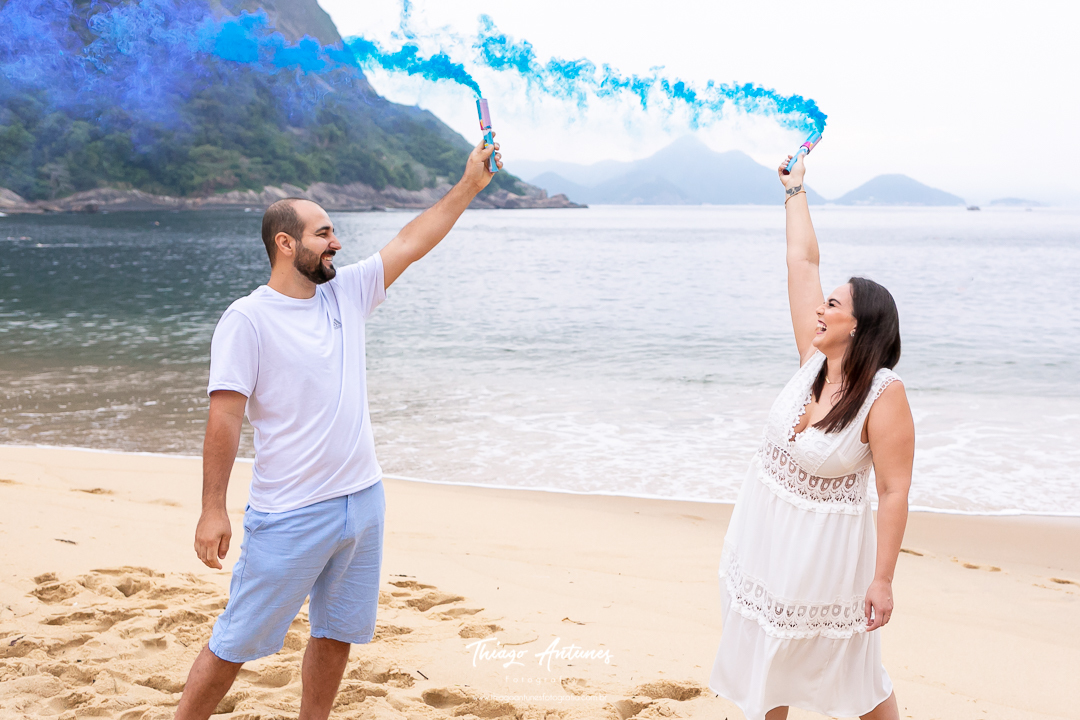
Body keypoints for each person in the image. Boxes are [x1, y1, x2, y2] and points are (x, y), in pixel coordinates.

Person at [174, 138, 502, 720]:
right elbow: (223, 416)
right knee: (236, 642)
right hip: (291, 511)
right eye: (324, 232)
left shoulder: (346, 293)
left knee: (337, 633)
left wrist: (470, 184)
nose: (337, 242)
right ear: (286, 243)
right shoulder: (247, 319)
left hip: (363, 501)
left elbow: (412, 240)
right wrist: (212, 509)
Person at [709, 152, 915, 720]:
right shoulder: (812, 359)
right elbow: (802, 260)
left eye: (833, 304)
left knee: (854, 674)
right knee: (766, 664)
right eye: (825, 302)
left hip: (826, 558)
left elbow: (895, 491)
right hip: (765, 534)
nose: (820, 309)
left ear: (859, 325)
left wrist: (882, 580)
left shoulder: (883, 395)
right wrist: (794, 190)